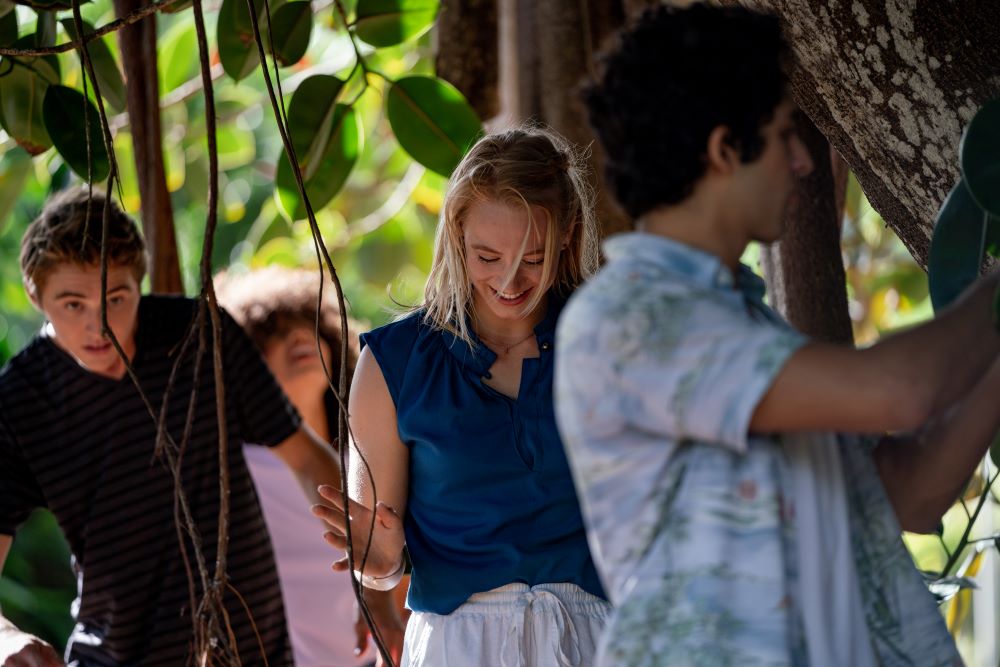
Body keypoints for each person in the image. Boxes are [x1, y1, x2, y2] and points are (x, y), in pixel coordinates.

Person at [556, 4, 1000, 666]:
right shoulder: (630, 318)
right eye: (784, 134)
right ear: (723, 149)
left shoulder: (743, 324)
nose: (801, 162)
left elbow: (912, 492)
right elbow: (902, 391)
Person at [0, 189, 344, 666]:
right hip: (116, 655)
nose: (99, 327)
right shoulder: (20, 398)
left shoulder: (202, 334)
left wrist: (375, 579)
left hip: (251, 649)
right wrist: (6, 639)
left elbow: (307, 460)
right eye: (73, 305)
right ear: (36, 296)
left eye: (116, 299)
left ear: (137, 284)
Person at [311, 126, 612, 666]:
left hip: (599, 638)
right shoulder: (393, 364)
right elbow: (381, 562)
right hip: (459, 646)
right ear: (455, 233)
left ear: (568, 234)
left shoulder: (614, 344)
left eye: (533, 258)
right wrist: (375, 558)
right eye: (487, 256)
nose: (509, 281)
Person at [216, 266, 405, 667]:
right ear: (244, 368)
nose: (299, 336)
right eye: (273, 334)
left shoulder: (375, 456)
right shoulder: (229, 468)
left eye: (307, 325)